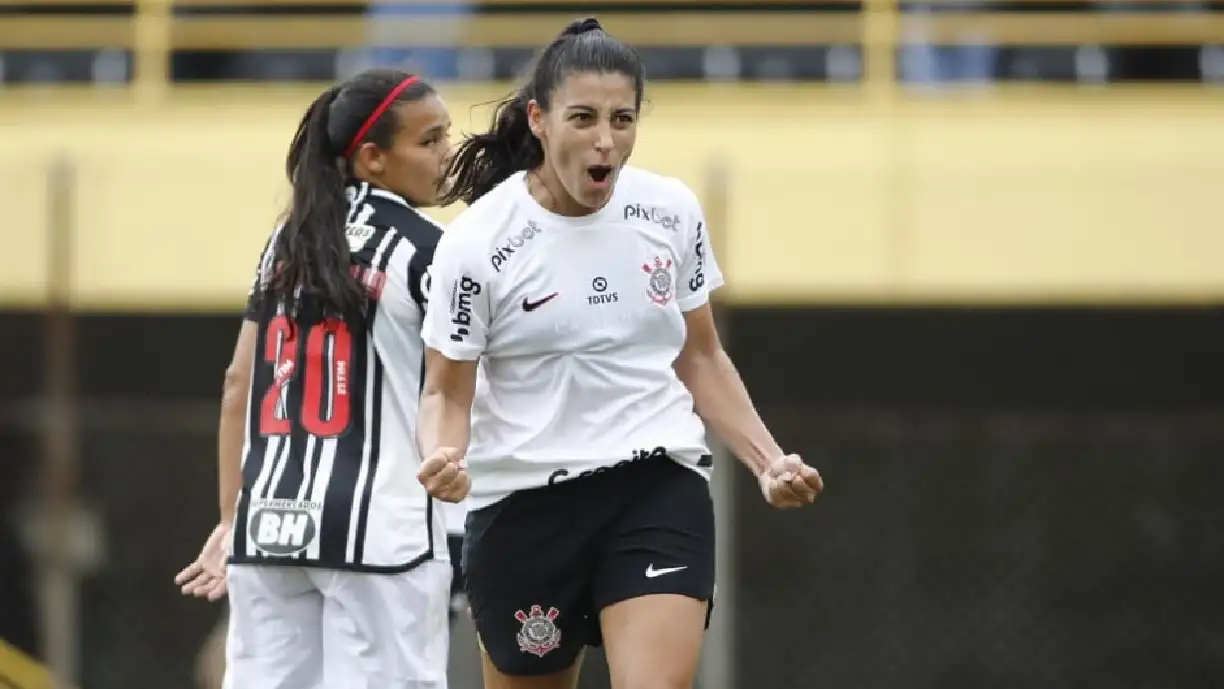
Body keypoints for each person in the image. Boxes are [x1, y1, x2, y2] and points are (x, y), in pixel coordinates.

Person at [415, 17, 825, 689]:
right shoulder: (477, 243)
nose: (606, 140)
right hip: (523, 506)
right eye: (583, 117)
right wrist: (442, 454)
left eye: (623, 119)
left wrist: (768, 459)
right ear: (538, 120)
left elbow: (700, 357)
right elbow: (447, 390)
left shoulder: (670, 212)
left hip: (654, 487)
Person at [173, 67, 456, 689]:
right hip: (381, 531)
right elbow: (457, 382)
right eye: (430, 140)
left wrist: (230, 519)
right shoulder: (428, 248)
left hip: (269, 525)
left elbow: (236, 385)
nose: (447, 154)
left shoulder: (286, 241)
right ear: (374, 158)